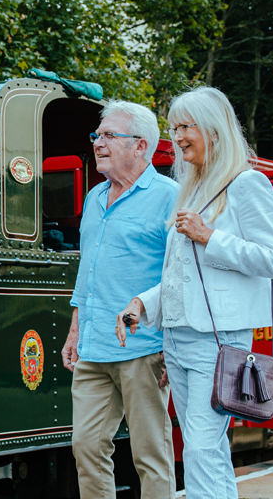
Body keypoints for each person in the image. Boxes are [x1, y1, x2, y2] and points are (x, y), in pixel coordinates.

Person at [113, 87, 273, 499]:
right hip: (178, 338)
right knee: (207, 447)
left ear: (213, 128)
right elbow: (179, 274)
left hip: (218, 339)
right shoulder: (190, 188)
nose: (177, 137)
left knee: (202, 447)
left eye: (185, 127)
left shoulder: (247, 183)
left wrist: (210, 236)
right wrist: (143, 304)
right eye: (173, 129)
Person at [62, 101, 179, 499]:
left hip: (143, 348)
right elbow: (87, 270)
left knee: (151, 454)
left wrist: (171, 343)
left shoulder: (170, 197)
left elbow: (180, 279)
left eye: (110, 135)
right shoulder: (95, 198)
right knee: (87, 447)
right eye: (97, 136)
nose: (98, 143)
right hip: (94, 348)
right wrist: (75, 328)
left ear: (141, 145)